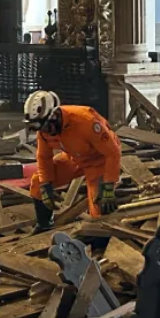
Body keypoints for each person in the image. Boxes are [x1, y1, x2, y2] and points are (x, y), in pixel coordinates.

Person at [24, 90, 120, 232]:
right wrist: (46, 184)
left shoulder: (86, 121)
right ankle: (44, 225)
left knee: (98, 208)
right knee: (38, 182)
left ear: (55, 116)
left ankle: (102, 237)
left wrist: (108, 186)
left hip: (99, 159)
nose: (44, 132)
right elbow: (44, 157)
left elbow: (112, 153)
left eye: (44, 127)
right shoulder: (44, 130)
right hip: (74, 156)